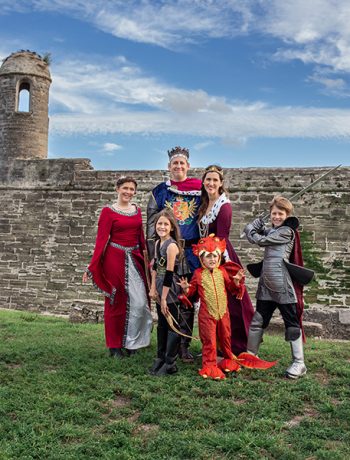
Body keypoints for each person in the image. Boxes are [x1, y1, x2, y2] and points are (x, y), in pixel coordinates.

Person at [83, 176, 153, 359]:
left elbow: (141, 237)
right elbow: (101, 240)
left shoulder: (137, 211)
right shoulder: (108, 212)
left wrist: (148, 257)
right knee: (116, 302)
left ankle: (133, 341)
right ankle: (114, 345)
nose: (128, 192)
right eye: (125, 188)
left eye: (131, 189)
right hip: (115, 259)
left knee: (140, 302)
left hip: (136, 259)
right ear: (117, 189)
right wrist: (92, 266)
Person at [147, 146, 202, 362]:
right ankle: (169, 344)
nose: (178, 167)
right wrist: (154, 253)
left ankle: (184, 345)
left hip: (191, 251)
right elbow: (152, 224)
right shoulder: (160, 191)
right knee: (169, 297)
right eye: (174, 164)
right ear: (168, 167)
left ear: (188, 166)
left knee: (187, 297)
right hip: (168, 248)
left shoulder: (200, 189)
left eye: (182, 163)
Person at [244, 196, 307, 379]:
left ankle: (299, 363)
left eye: (280, 213)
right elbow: (265, 234)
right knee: (258, 320)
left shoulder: (287, 231)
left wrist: (251, 229)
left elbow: (262, 240)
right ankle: (251, 355)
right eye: (274, 213)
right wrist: (258, 227)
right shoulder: (273, 230)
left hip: (282, 284)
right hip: (266, 284)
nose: (277, 217)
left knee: (291, 324)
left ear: (287, 215)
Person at [197, 165, 254, 355]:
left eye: (215, 180)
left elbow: (221, 239)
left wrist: (215, 263)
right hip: (207, 256)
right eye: (208, 179)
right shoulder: (205, 204)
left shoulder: (224, 206)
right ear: (203, 182)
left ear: (221, 183)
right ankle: (216, 344)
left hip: (220, 256)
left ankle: (237, 345)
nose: (211, 183)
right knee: (212, 302)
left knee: (229, 301)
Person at [178, 235, 246, 380]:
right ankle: (209, 365)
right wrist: (185, 289)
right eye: (208, 257)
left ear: (219, 257)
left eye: (215, 256)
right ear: (202, 259)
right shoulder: (197, 274)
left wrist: (236, 282)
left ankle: (228, 359)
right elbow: (191, 293)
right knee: (209, 340)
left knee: (226, 337)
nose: (212, 260)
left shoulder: (222, 272)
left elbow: (231, 288)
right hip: (206, 315)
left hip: (223, 312)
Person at [149, 210, 183, 376]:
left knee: (172, 326)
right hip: (160, 288)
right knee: (162, 325)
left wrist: (164, 298)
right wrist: (153, 287)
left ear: (171, 227)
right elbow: (155, 267)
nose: (162, 227)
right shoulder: (157, 244)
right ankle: (160, 358)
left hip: (171, 291)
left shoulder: (171, 246)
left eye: (165, 224)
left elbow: (169, 273)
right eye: (159, 224)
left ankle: (170, 363)